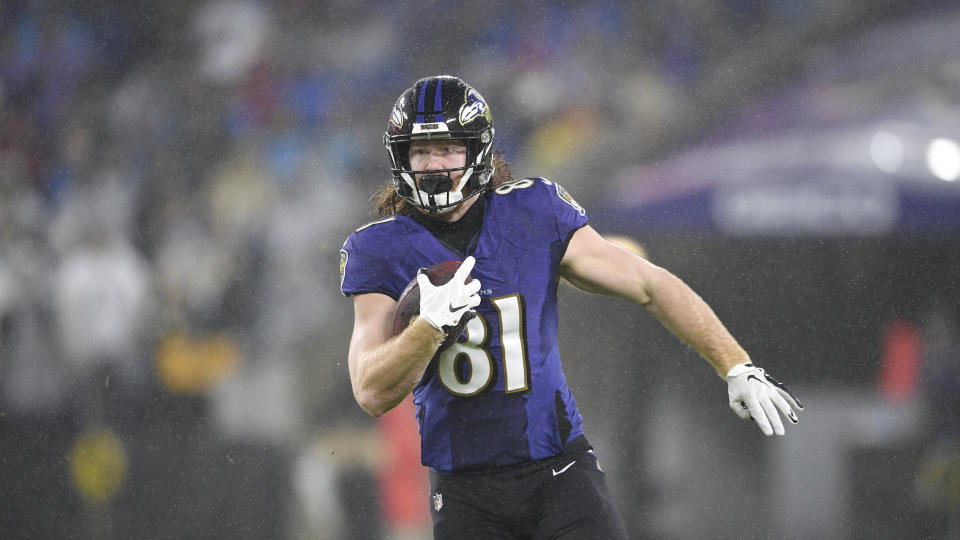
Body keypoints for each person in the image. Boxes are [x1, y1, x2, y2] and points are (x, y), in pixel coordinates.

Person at [339, 75, 803, 539]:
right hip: (464, 492)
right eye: (421, 151)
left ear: (476, 151)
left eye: (447, 149)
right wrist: (428, 327)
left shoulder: (533, 211)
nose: (433, 165)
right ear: (401, 157)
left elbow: (650, 284)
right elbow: (371, 392)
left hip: (558, 473)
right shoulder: (379, 249)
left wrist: (735, 364)